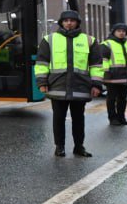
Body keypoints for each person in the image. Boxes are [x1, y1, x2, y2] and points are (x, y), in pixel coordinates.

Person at [34, 9, 103, 157]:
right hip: (57, 86)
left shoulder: (89, 40)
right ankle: (59, 147)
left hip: (80, 86)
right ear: (61, 23)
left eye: (72, 20)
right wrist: (42, 82)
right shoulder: (49, 39)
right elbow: (41, 63)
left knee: (79, 119)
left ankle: (79, 146)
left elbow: (96, 65)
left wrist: (96, 85)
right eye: (66, 21)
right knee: (58, 119)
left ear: (77, 22)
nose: (69, 23)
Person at [100, 22, 127, 126]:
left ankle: (122, 118)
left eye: (123, 31)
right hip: (112, 77)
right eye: (119, 31)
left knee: (123, 99)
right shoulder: (106, 44)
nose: (121, 33)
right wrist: (105, 74)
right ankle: (112, 119)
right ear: (114, 32)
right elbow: (103, 61)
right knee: (111, 98)